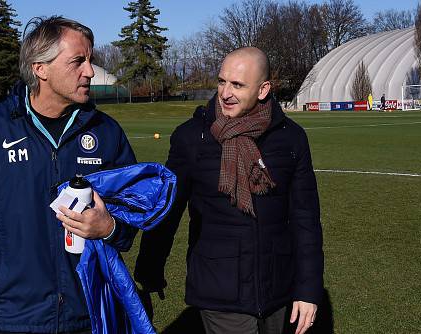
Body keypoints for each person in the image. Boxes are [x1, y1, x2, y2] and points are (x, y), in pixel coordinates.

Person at [0, 16, 138, 334]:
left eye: (90, 60)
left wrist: (110, 227)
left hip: (89, 315)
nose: (89, 71)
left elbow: (131, 210)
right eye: (78, 62)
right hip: (10, 319)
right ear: (40, 68)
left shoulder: (106, 132)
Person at [134, 47, 324, 334]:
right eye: (222, 82)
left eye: (237, 84)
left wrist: (308, 289)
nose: (225, 93)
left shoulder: (291, 138)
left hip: (277, 287)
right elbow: (168, 209)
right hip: (218, 287)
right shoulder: (192, 137)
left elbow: (305, 219)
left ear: (263, 90)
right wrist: (149, 270)